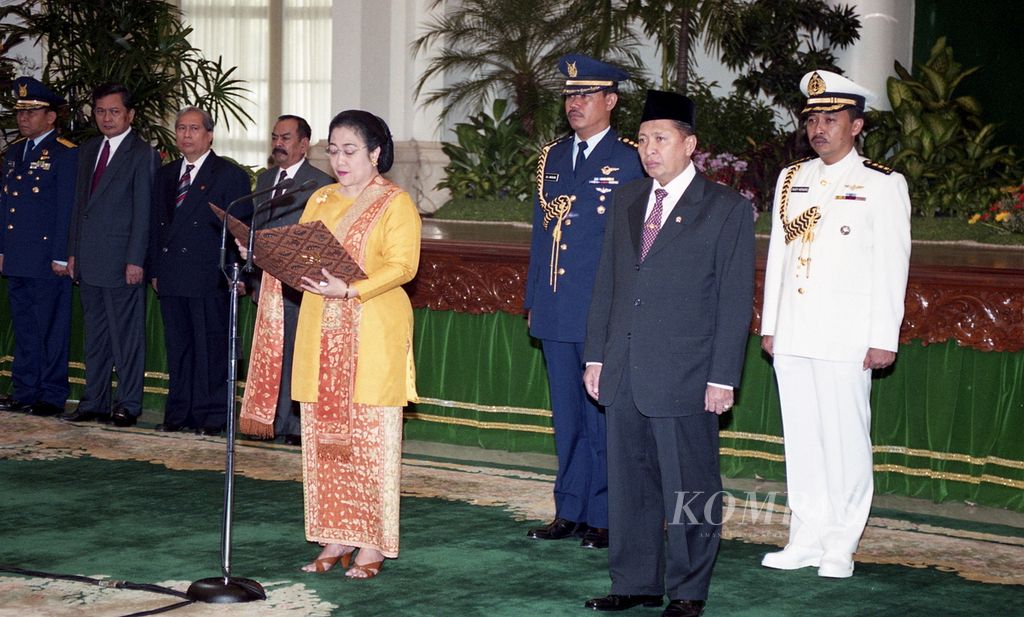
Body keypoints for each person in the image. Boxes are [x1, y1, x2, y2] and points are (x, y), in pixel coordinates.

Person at [582, 90, 755, 617]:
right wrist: (596, 357)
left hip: (687, 373)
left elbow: (733, 300)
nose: (649, 150)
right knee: (630, 483)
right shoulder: (629, 199)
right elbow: (608, 286)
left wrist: (723, 376)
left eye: (661, 139)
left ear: (690, 144)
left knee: (690, 488)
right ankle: (634, 582)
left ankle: (687, 591)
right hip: (624, 369)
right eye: (643, 140)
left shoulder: (725, 209)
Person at [239, 110, 420, 579]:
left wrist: (352, 289)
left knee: (368, 441)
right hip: (320, 331)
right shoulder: (319, 196)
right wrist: (264, 254)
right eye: (333, 150)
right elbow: (304, 255)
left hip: (372, 331)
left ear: (375, 153)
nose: (339, 160)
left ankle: (371, 544)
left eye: (350, 151)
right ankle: (335, 535)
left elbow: (404, 267)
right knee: (323, 441)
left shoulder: (394, 202)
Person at [759, 70, 912, 579]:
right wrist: (772, 324)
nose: (818, 128)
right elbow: (780, 255)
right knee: (802, 438)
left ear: (858, 125)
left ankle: (840, 543)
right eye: (813, 119)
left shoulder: (881, 184)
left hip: (846, 335)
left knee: (845, 440)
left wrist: (882, 337)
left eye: (831, 118)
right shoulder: (791, 180)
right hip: (796, 331)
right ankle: (805, 535)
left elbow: (892, 264)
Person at [524, 53, 643, 550]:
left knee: (601, 420)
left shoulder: (632, 158)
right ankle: (569, 508)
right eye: (570, 95)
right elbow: (540, 233)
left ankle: (605, 514)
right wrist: (534, 297)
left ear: (610, 101)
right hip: (555, 305)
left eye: (586, 95)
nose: (575, 103)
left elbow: (636, 243)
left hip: (601, 311)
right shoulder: (551, 157)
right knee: (567, 416)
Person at [147, 107, 251, 435]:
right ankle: (179, 414)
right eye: (181, 128)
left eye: (194, 129)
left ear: (210, 135)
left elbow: (241, 230)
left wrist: (240, 274)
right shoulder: (165, 174)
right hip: (172, 274)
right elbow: (155, 227)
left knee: (211, 350)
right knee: (179, 348)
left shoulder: (228, 175)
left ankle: (213, 417)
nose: (186, 135)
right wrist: (154, 269)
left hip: (210, 276)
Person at [64, 83, 160, 427]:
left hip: (122, 262)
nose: (107, 118)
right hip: (88, 259)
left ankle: (128, 404)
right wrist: (73, 252)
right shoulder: (88, 150)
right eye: (101, 111)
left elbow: (143, 212)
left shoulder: (142, 153)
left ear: (130, 115)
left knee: (126, 339)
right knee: (96, 337)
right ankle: (94, 401)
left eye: (114, 111)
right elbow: (79, 207)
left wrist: (136, 259)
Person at [244, 114, 333, 446]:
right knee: (271, 357)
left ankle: (295, 426)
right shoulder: (266, 179)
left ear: (304, 144)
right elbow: (261, 229)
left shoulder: (319, 184)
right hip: (266, 285)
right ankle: (270, 422)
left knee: (298, 356)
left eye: (285, 138)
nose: (278, 144)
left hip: (300, 287)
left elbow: (320, 238)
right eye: (274, 137)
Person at [0, 77, 78, 417]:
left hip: (48, 258)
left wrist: (62, 255)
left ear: (51, 117)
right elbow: (6, 206)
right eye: (20, 112)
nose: (23, 119)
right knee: (26, 327)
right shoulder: (14, 152)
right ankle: (25, 389)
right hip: (18, 255)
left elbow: (66, 210)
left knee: (50, 327)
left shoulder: (65, 153)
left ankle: (50, 393)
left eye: (32, 112)